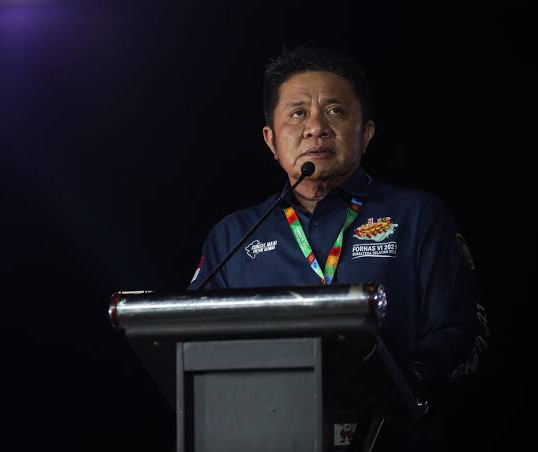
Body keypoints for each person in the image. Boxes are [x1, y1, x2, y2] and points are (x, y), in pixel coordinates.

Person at [188, 46, 489, 451]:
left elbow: (467, 332)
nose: (316, 127)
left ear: (366, 133)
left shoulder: (418, 216)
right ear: (271, 140)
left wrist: (398, 379)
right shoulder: (233, 236)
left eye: (335, 111)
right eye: (298, 113)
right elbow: (191, 346)